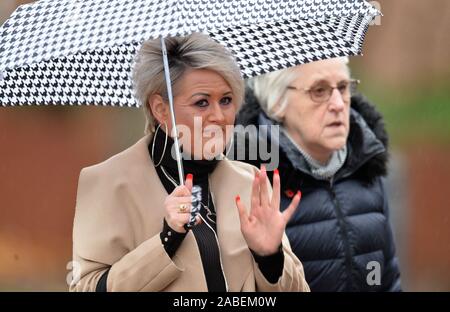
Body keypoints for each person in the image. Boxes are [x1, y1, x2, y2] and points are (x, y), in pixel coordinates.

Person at [70, 33, 309, 292]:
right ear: (161, 109)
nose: (218, 116)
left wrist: (270, 258)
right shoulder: (107, 182)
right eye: (202, 102)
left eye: (226, 100)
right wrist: (166, 240)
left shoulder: (250, 180)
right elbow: (86, 287)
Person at [233, 57, 402, 291]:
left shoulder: (366, 165)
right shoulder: (250, 180)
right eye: (319, 91)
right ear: (277, 102)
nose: (338, 104)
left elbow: (388, 279)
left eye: (343, 87)